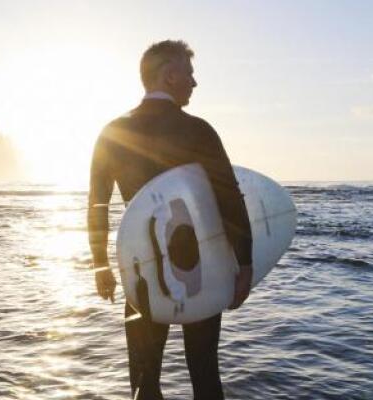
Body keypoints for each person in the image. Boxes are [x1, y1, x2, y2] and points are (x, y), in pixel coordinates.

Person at [87, 40, 253, 400]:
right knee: (204, 369)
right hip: (201, 268)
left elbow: (97, 205)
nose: (194, 83)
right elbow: (229, 200)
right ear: (169, 75)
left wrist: (100, 265)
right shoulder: (199, 130)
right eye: (189, 74)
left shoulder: (112, 133)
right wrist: (245, 262)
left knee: (145, 378)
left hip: (142, 266)